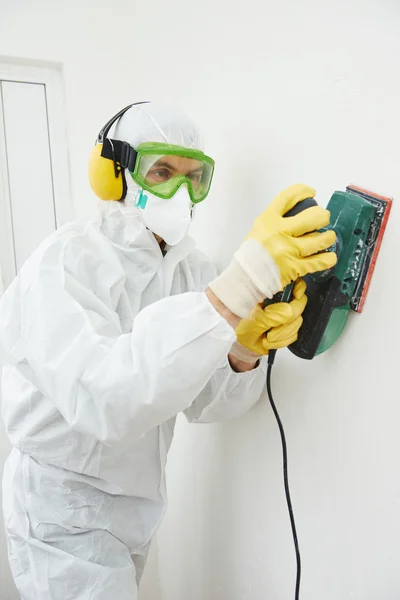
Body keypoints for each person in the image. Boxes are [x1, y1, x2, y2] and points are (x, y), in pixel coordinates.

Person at [0, 102, 336, 600]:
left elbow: (200, 400)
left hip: (136, 505)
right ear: (113, 175)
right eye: (161, 171)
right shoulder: (64, 263)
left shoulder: (190, 269)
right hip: (62, 509)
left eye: (193, 177)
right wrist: (234, 291)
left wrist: (241, 351)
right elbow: (106, 400)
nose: (179, 191)